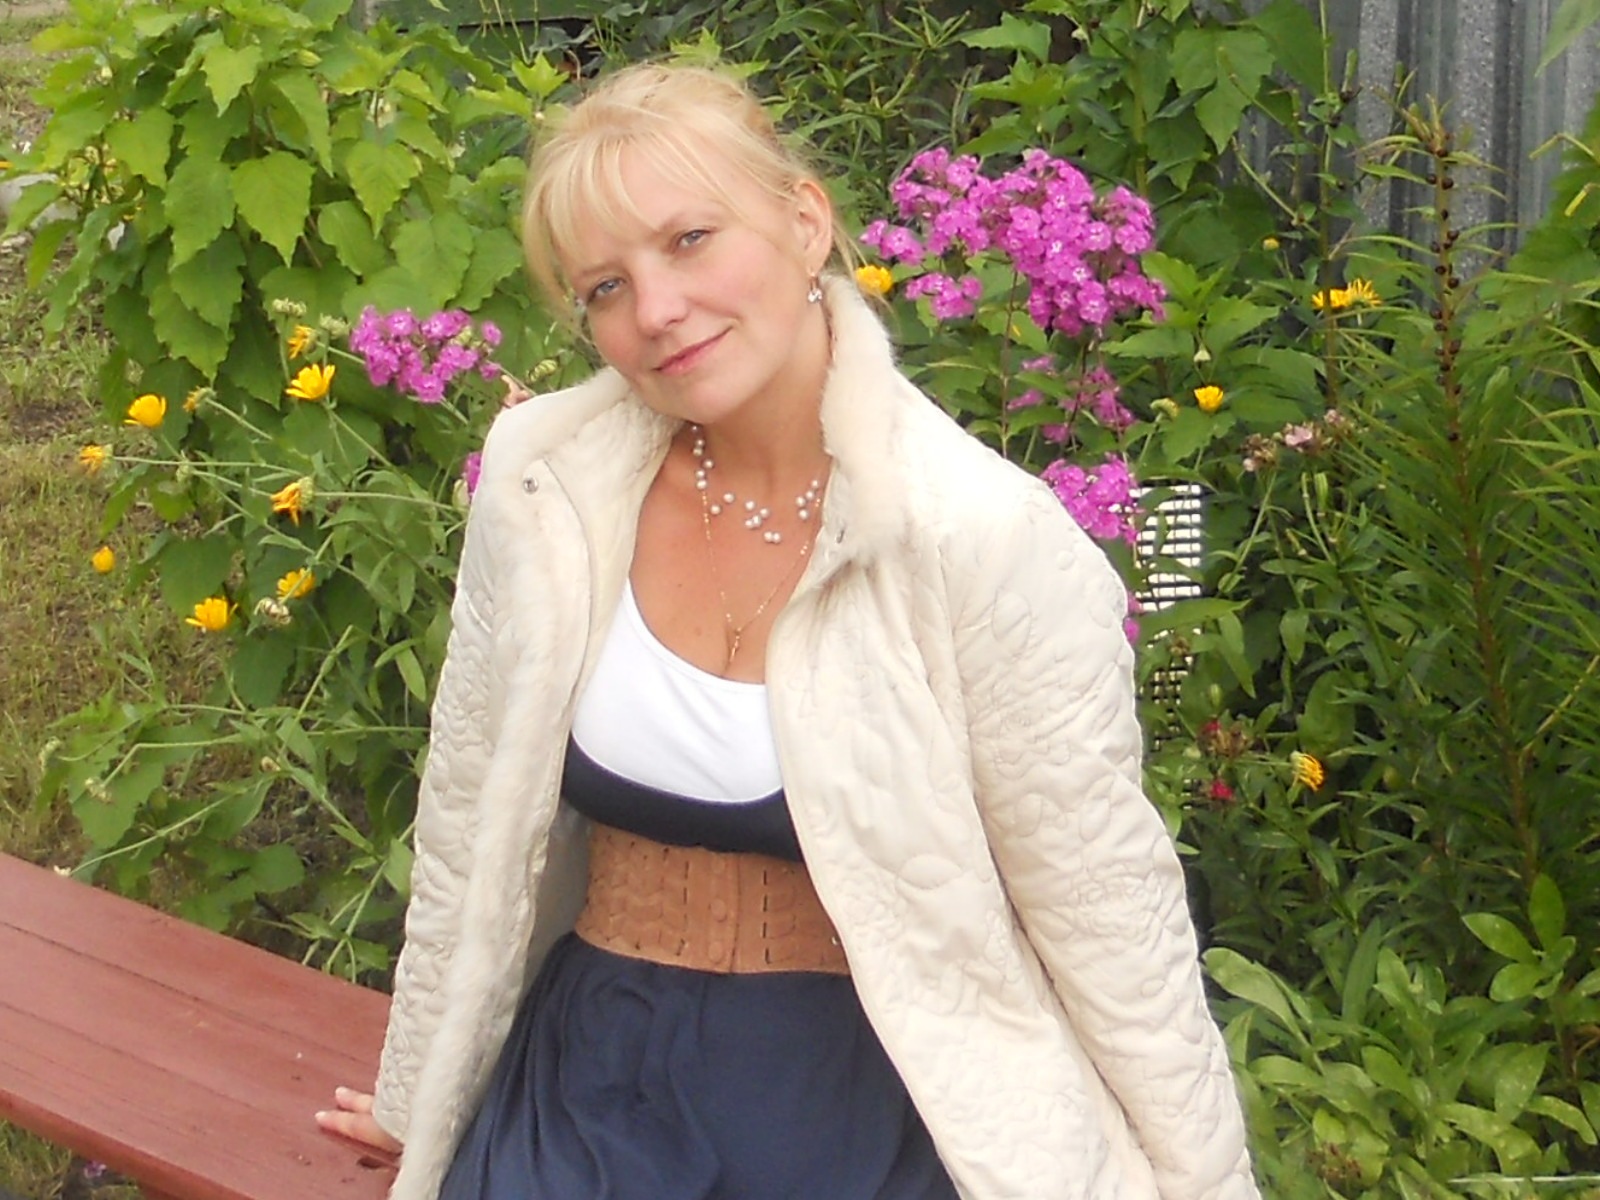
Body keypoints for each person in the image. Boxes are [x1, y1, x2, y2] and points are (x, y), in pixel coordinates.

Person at [317, 62, 1260, 1200]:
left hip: (877, 1106)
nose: (655, 311)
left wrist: (1205, 1184)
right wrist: (421, 1099)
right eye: (605, 287)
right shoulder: (547, 488)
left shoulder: (979, 536)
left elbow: (1106, 909)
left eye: (690, 240)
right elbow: (467, 818)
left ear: (806, 222)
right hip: (589, 1092)